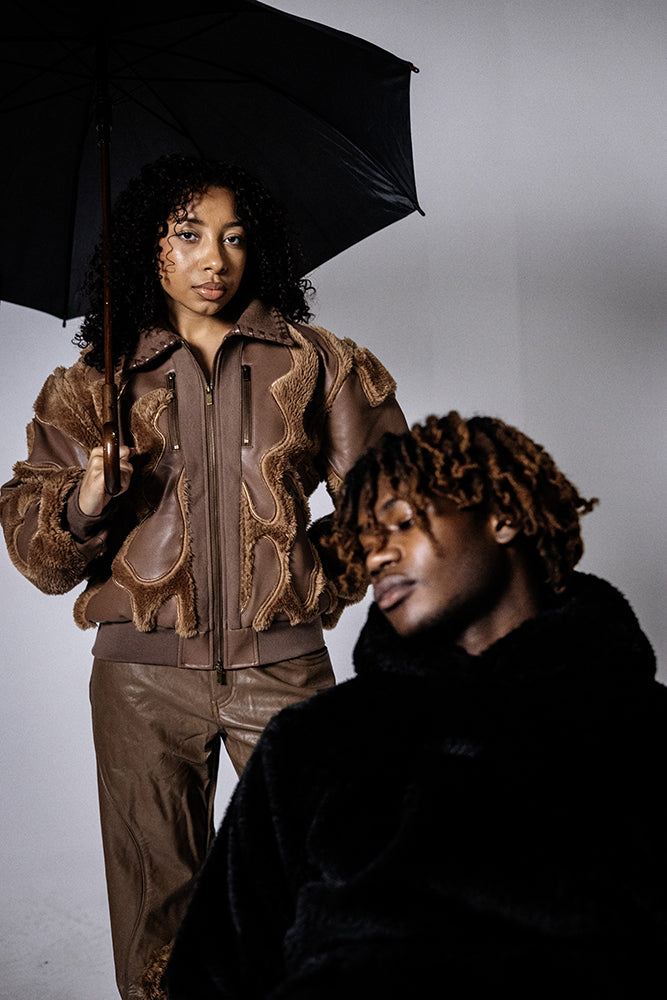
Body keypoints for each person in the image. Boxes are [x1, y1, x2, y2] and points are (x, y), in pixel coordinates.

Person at [0, 154, 407, 1000]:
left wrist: (307, 576)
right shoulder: (93, 382)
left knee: (318, 890)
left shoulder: (320, 363)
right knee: (160, 917)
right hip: (141, 683)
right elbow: (37, 555)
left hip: (284, 672)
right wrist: (86, 500)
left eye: (233, 237)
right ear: (146, 246)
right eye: (187, 235)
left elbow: (392, 500)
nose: (213, 259)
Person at [165, 411, 667, 1000]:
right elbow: (213, 974)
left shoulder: (644, 730)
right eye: (366, 540)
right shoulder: (314, 742)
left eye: (401, 523)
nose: (376, 557)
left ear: (503, 514)